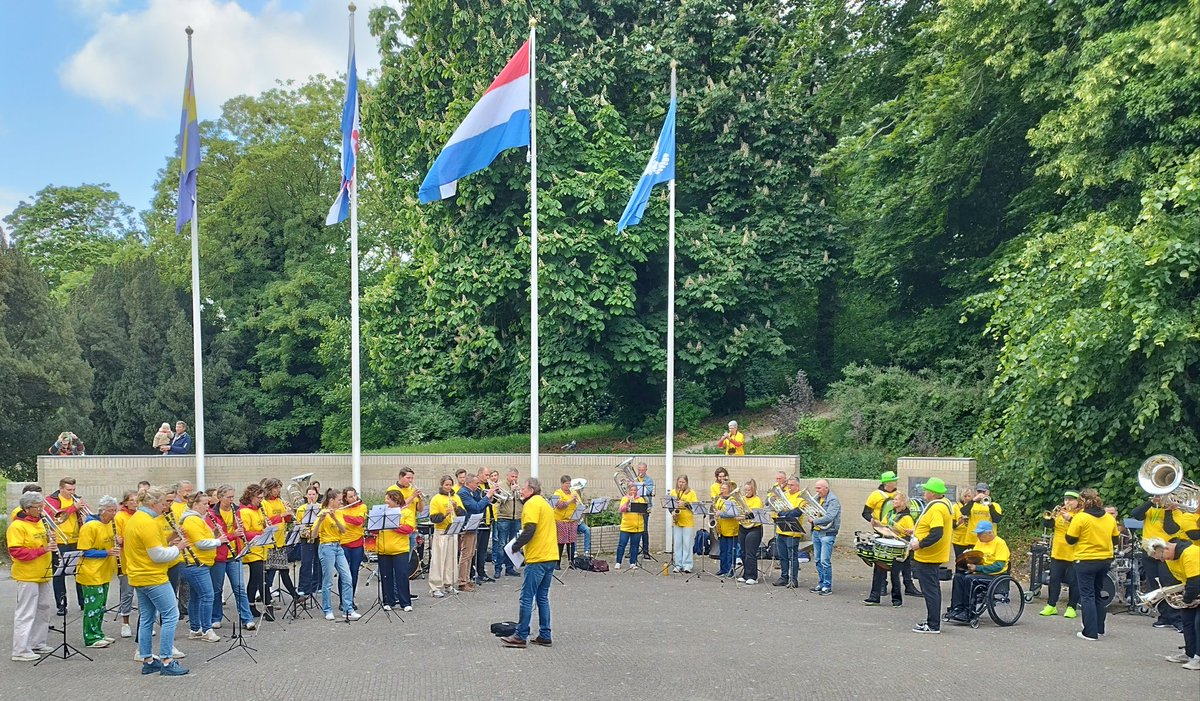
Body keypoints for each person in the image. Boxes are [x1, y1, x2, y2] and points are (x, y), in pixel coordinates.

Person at [126, 487, 189, 675]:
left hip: (138, 575)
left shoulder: (135, 519)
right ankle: (167, 661)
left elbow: (148, 547)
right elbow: (157, 555)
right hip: (153, 576)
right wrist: (178, 548)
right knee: (171, 615)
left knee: (147, 618)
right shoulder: (148, 523)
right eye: (163, 504)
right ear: (153, 504)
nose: (165, 507)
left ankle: (147, 659)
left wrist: (169, 541)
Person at [500, 477, 557, 648]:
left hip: (537, 557)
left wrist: (515, 546)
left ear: (531, 490)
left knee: (526, 597)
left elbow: (530, 528)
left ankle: (520, 635)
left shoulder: (531, 504)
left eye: (523, 488)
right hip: (551, 556)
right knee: (542, 597)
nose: (520, 491)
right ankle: (545, 634)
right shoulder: (545, 503)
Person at [1065, 488, 1120, 642]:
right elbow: (1115, 540)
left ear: (1082, 502)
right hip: (1105, 560)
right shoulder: (1109, 518)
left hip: (1085, 560)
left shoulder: (1081, 518)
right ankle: (1099, 628)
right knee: (1097, 593)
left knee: (1087, 596)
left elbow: (1070, 539)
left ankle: (1090, 632)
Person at [8, 491, 57, 662]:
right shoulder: (17, 526)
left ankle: (38, 642)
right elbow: (17, 552)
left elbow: (43, 543)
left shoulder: (41, 522)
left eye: (42, 506)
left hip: (43, 572)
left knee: (44, 609)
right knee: (26, 612)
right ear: (27, 508)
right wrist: (43, 549)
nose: (42, 510)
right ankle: (20, 649)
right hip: (27, 575)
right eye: (38, 507)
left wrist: (50, 539)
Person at [1143, 537, 1200, 670]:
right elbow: (1180, 581)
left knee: (1198, 624)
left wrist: (1186, 599)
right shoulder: (1170, 558)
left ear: (1166, 549)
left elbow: (1195, 581)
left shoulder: (1190, 553)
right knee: (1187, 622)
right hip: (1192, 590)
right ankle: (1190, 653)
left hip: (1195, 588)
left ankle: (1198, 658)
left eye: (1161, 557)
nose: (1162, 561)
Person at [908, 477, 953, 634]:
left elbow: (937, 533)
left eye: (926, 490)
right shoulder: (944, 504)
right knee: (932, 589)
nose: (924, 492)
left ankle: (933, 624)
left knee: (930, 590)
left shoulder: (936, 508)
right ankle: (932, 622)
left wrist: (919, 544)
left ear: (933, 493)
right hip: (932, 555)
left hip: (929, 556)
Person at [177, 491, 223, 643]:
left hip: (199, 563)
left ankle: (195, 629)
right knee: (207, 596)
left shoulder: (197, 519)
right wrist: (219, 541)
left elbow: (202, 538)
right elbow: (200, 543)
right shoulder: (192, 520)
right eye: (204, 504)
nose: (207, 507)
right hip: (196, 564)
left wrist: (214, 534)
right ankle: (206, 630)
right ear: (195, 505)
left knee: (196, 596)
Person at [1132, 494, 1184, 630]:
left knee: (1169, 585)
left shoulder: (1178, 512)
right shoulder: (1151, 509)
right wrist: (1151, 502)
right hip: (1149, 552)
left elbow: (1170, 529)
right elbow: (1136, 514)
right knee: (1155, 586)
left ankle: (1176, 618)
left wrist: (1168, 510)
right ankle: (1164, 616)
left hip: (1165, 554)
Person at [208, 484, 254, 631]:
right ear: (220, 497)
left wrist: (240, 530)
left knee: (239, 588)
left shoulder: (236, 510)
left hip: (235, 554)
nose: (231, 500)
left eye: (233, 497)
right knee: (217, 589)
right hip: (219, 556)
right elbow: (214, 537)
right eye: (228, 497)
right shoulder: (212, 514)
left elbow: (240, 531)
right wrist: (233, 535)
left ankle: (247, 618)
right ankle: (216, 618)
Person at [76, 495, 119, 648]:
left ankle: (98, 632)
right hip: (91, 572)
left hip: (104, 571)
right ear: (102, 511)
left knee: (101, 606)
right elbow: (84, 551)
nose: (114, 514)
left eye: (115, 510)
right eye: (111, 510)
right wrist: (106, 553)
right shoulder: (90, 526)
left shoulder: (110, 524)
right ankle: (90, 637)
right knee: (92, 607)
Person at [946, 521, 1009, 623]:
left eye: (980, 534)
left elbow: (999, 566)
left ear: (989, 533)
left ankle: (968, 612)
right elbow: (975, 558)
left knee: (970, 579)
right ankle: (957, 608)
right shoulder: (980, 542)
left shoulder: (1000, 543)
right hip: (980, 573)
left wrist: (978, 568)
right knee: (958, 577)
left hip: (995, 576)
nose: (978, 536)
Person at [314, 489, 359, 621]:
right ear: (331, 500)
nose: (341, 502)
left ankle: (348, 609)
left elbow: (343, 530)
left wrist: (334, 518)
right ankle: (327, 610)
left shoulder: (339, 512)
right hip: (326, 547)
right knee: (327, 581)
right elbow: (314, 534)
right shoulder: (322, 513)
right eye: (339, 500)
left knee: (347, 578)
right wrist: (320, 520)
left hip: (339, 547)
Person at [866, 493, 916, 607]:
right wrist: (876, 524)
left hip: (897, 549)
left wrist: (904, 532)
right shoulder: (890, 513)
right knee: (878, 572)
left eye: (896, 500)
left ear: (903, 502)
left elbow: (911, 534)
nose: (894, 501)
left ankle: (896, 600)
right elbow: (883, 527)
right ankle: (874, 597)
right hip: (886, 546)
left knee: (894, 574)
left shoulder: (907, 517)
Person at [44, 477, 85, 615]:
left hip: (76, 540)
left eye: (73, 489)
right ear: (61, 488)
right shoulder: (51, 500)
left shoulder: (77, 499)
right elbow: (54, 517)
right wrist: (74, 508)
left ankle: (83, 602)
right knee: (59, 574)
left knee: (80, 573)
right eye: (69, 490)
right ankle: (61, 604)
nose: (72, 492)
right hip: (60, 541)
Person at [1039, 490, 1081, 618]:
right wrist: (1049, 517)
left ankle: (1071, 607)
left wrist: (1070, 519)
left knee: (1074, 581)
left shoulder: (1081, 514)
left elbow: (1084, 529)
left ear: (1078, 502)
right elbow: (1048, 525)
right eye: (1066, 499)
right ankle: (1051, 605)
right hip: (1057, 552)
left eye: (1071, 500)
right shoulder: (1059, 513)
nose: (1068, 502)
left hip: (1074, 554)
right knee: (1054, 580)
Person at [261, 478, 300, 604]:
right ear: (269, 489)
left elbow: (287, 520)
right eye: (276, 488)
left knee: (283, 570)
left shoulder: (279, 501)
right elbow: (266, 521)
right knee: (271, 572)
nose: (278, 490)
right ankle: (267, 598)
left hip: (280, 541)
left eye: (279, 488)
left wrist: (289, 512)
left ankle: (294, 596)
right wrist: (281, 515)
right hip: (270, 542)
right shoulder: (264, 503)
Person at [376, 490, 416, 612]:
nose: (386, 501)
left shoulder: (407, 512)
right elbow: (374, 529)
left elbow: (409, 529)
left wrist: (393, 525)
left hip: (400, 549)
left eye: (388, 499)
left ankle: (405, 602)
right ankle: (388, 601)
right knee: (386, 576)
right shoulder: (381, 513)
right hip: (383, 549)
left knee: (402, 575)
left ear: (396, 500)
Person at [238, 483, 271, 622]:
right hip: (252, 549)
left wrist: (267, 526)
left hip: (261, 548)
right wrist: (261, 532)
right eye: (259, 498)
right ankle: (265, 606)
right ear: (251, 497)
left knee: (256, 579)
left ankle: (251, 605)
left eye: (262, 498)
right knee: (260, 579)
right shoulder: (245, 512)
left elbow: (260, 526)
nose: (261, 500)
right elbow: (245, 533)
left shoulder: (259, 510)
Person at [428, 476, 465, 598]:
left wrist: (456, 508)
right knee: (439, 559)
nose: (449, 487)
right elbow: (433, 518)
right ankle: (435, 586)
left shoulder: (456, 497)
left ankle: (448, 583)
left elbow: (463, 513)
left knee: (451, 559)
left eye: (450, 485)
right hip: (441, 531)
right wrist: (445, 514)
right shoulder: (436, 499)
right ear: (442, 485)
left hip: (453, 531)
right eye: (446, 485)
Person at [808, 479, 840, 595]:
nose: (817, 491)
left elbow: (830, 517)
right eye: (816, 488)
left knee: (824, 560)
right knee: (817, 560)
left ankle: (827, 585)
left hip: (827, 532)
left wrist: (815, 521)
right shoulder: (817, 499)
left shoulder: (833, 500)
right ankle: (821, 583)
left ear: (826, 488)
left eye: (819, 488)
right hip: (816, 532)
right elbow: (812, 512)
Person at [772, 476, 806, 588]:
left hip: (793, 532)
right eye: (789, 485)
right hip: (781, 530)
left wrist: (784, 513)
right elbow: (778, 509)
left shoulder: (801, 497)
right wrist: (784, 512)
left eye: (792, 485)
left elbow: (796, 512)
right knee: (782, 556)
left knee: (792, 557)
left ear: (797, 486)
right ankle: (784, 577)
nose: (789, 487)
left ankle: (793, 579)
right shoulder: (784, 495)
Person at [456, 474, 488, 590]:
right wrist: (487, 496)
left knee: (470, 554)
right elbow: (476, 507)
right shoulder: (463, 493)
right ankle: (462, 581)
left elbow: (481, 507)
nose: (478, 486)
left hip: (473, 525)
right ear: (469, 483)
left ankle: (467, 579)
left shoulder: (473, 492)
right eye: (476, 483)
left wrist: (488, 498)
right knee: (466, 554)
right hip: (466, 526)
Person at [114, 490, 138, 637]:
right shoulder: (120, 516)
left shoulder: (141, 515)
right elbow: (118, 537)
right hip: (126, 559)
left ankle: (144, 623)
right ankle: (125, 623)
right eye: (131, 500)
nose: (135, 503)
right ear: (126, 502)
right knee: (127, 593)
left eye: (136, 500)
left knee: (143, 594)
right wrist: (120, 540)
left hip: (140, 559)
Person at [492, 468, 523, 577]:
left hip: (517, 518)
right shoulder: (500, 486)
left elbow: (523, 500)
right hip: (504, 518)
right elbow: (500, 500)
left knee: (513, 545)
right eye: (512, 476)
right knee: (501, 544)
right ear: (507, 476)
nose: (514, 479)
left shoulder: (519, 486)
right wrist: (511, 491)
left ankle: (510, 568)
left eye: (516, 477)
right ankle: (498, 568)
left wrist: (520, 493)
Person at [338, 486, 367, 606]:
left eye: (354, 495)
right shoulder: (340, 508)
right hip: (343, 543)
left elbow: (359, 521)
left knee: (354, 572)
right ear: (345, 498)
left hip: (357, 544)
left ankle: (350, 600)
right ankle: (342, 601)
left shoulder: (362, 506)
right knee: (343, 573)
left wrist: (341, 515)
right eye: (350, 497)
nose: (354, 498)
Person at [295, 486, 323, 596]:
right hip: (305, 537)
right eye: (309, 494)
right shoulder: (301, 509)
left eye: (313, 494)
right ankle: (304, 587)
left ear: (317, 495)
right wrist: (304, 530)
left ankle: (317, 585)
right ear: (306, 496)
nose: (311, 497)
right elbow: (299, 523)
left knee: (318, 561)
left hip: (318, 536)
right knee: (306, 562)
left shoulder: (321, 507)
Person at [736, 479, 765, 585]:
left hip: (754, 528)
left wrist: (743, 516)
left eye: (748, 490)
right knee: (743, 552)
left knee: (750, 552)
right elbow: (738, 510)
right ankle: (746, 574)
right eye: (745, 490)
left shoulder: (757, 500)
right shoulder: (742, 499)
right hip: (743, 527)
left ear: (753, 490)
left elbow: (754, 514)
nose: (746, 492)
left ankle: (753, 576)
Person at [473, 467, 498, 584]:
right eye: (486, 475)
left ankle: (482, 573)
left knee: (483, 550)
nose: (488, 477)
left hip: (487, 521)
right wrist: (488, 495)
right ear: (479, 474)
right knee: (475, 550)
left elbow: (492, 502)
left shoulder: (488, 485)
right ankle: (473, 574)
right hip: (478, 522)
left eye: (489, 475)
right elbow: (477, 503)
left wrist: (495, 494)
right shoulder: (476, 486)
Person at [670, 475, 699, 574]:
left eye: (683, 482)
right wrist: (673, 512)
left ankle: (687, 565)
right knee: (677, 544)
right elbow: (670, 506)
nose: (681, 484)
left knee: (687, 544)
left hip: (687, 521)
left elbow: (694, 507)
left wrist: (685, 504)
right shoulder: (674, 492)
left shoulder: (691, 493)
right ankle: (678, 565)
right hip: (677, 521)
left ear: (686, 483)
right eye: (679, 482)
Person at [551, 475, 581, 569]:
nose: (568, 486)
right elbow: (560, 505)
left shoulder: (573, 492)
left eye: (569, 483)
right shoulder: (558, 493)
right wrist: (570, 500)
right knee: (560, 542)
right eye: (566, 484)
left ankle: (571, 562)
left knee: (571, 542)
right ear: (562, 484)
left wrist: (577, 500)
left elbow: (579, 505)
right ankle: (557, 563)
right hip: (561, 520)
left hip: (572, 520)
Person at [616, 483, 646, 569]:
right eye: (631, 490)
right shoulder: (624, 498)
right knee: (622, 544)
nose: (633, 492)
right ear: (629, 491)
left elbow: (643, 511)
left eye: (635, 490)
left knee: (635, 545)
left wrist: (638, 507)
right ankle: (618, 562)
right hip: (626, 526)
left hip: (637, 526)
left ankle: (633, 562)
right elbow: (621, 509)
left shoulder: (640, 499)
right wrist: (628, 501)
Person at [713, 482, 740, 576]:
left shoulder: (732, 500)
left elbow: (732, 514)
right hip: (722, 529)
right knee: (723, 551)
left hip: (731, 529)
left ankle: (730, 570)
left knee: (730, 552)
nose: (722, 490)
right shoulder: (720, 499)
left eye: (724, 488)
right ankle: (723, 569)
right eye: (721, 488)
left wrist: (720, 513)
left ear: (729, 489)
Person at [951, 487, 977, 568]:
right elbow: (952, 525)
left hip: (972, 539)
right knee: (960, 561)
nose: (967, 498)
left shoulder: (975, 506)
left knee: (972, 562)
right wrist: (959, 522)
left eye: (969, 496)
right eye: (965, 496)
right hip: (959, 539)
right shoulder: (955, 507)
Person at [635, 462, 655, 558]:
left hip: (645, 506)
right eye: (639, 470)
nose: (641, 472)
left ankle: (645, 551)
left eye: (642, 470)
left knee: (644, 529)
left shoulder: (649, 480)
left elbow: (648, 491)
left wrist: (637, 486)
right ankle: (633, 551)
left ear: (646, 470)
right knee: (634, 529)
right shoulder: (634, 479)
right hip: (635, 505)